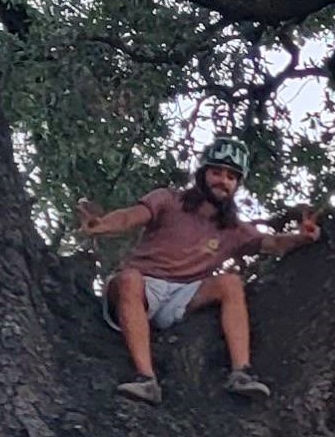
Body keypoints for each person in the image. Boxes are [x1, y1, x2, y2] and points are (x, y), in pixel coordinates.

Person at [76, 140, 316, 404]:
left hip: (183, 296)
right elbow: (131, 216)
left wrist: (302, 238)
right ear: (202, 174)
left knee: (230, 283)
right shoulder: (168, 199)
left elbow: (272, 243)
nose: (223, 181)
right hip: (143, 288)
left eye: (231, 177)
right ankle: (146, 380)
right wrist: (101, 225)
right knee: (129, 279)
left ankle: (241, 373)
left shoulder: (233, 228)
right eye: (217, 172)